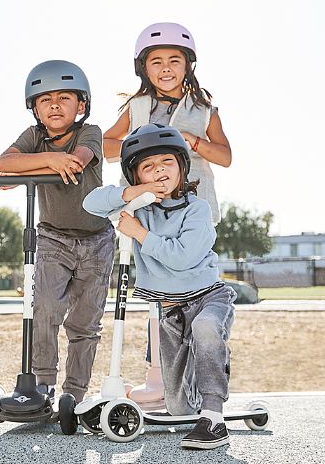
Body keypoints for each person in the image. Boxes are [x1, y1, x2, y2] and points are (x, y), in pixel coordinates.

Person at [83, 123, 237, 450]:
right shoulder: (138, 207)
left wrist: (139, 233)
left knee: (207, 329)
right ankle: (200, 388)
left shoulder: (198, 209)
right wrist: (131, 195)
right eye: (148, 167)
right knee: (180, 407)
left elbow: (180, 258)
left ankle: (214, 417)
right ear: (137, 176)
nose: (159, 171)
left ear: (182, 166)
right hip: (169, 310)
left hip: (207, 297)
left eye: (166, 162)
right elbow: (91, 204)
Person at [0, 60, 114, 404]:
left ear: (82, 105)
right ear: (35, 108)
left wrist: (32, 167)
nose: (55, 105)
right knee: (44, 307)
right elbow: (2, 163)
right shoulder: (33, 137)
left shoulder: (90, 132)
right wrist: (45, 162)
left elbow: (76, 160)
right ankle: (42, 384)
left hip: (96, 239)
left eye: (64, 97)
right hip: (53, 238)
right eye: (45, 100)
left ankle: (73, 393)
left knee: (84, 323)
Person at [103, 22, 231, 224]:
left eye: (174, 61)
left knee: (190, 254)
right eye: (156, 62)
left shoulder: (205, 110)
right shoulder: (136, 107)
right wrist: (142, 146)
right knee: (148, 253)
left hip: (194, 206)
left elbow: (225, 157)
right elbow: (105, 145)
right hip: (145, 208)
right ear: (143, 68)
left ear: (187, 66)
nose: (166, 68)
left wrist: (191, 141)